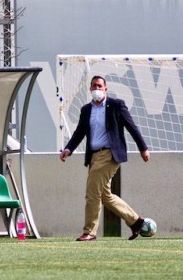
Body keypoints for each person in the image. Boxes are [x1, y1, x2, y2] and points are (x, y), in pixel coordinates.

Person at [60, 76, 151, 241]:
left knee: (92, 193)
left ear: (105, 89)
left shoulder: (116, 105)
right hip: (94, 156)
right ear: (90, 89)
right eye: (94, 85)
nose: (97, 88)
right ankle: (136, 221)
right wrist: (68, 149)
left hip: (109, 154)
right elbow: (80, 132)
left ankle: (89, 232)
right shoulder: (86, 110)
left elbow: (132, 127)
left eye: (100, 86)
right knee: (105, 195)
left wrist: (143, 148)